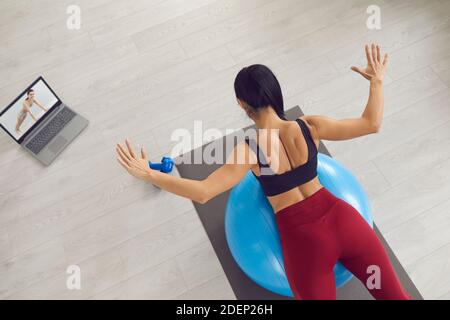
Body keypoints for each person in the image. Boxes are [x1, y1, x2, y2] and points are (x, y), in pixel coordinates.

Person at [116, 44, 411, 300]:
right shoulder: (310, 126)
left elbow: (204, 192)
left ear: (242, 105)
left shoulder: (250, 150)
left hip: (305, 243)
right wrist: (377, 82)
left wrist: (150, 175)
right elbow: (371, 123)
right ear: (275, 93)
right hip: (345, 222)